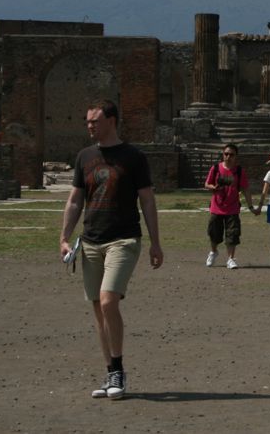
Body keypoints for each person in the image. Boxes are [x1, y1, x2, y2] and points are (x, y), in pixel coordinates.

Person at [59, 99, 164, 400]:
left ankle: (118, 371)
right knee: (98, 309)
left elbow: (147, 201)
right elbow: (75, 200)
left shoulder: (133, 157)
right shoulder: (84, 156)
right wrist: (64, 237)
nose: (89, 125)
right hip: (91, 240)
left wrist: (155, 242)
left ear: (112, 121)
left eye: (95, 120)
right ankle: (109, 374)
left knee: (108, 302)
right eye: (87, 121)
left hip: (124, 240)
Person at [203, 143, 255, 269]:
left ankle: (231, 259)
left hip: (232, 208)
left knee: (232, 235)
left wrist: (251, 207)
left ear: (236, 156)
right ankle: (213, 252)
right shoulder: (215, 168)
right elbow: (207, 184)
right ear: (223, 154)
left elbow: (245, 190)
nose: (228, 157)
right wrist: (213, 187)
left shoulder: (239, 171)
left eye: (231, 154)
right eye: (226, 154)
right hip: (217, 207)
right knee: (214, 233)